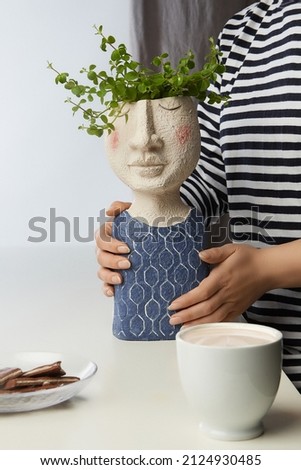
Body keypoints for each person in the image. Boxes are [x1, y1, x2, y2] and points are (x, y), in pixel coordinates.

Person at [96, 0, 301, 393]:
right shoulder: (245, 32)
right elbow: (206, 174)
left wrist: (268, 269)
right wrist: (141, 219)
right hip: (251, 354)